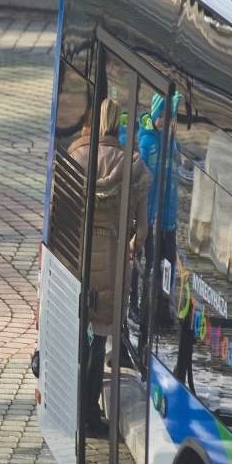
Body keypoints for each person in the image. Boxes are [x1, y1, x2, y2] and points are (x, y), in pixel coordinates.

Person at [70, 98, 151, 437]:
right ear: (119, 126)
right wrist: (131, 247)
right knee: (99, 336)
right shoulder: (132, 167)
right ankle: (90, 414)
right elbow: (142, 230)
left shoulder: (75, 157)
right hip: (113, 258)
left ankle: (69, 404)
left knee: (78, 333)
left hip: (77, 256)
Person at [137, 91, 182, 327]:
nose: (164, 120)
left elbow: (178, 166)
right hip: (148, 215)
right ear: (154, 115)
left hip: (167, 217)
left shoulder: (171, 142)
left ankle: (163, 309)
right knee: (150, 262)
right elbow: (141, 177)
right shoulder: (147, 142)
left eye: (169, 116)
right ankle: (142, 308)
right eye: (161, 115)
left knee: (167, 264)